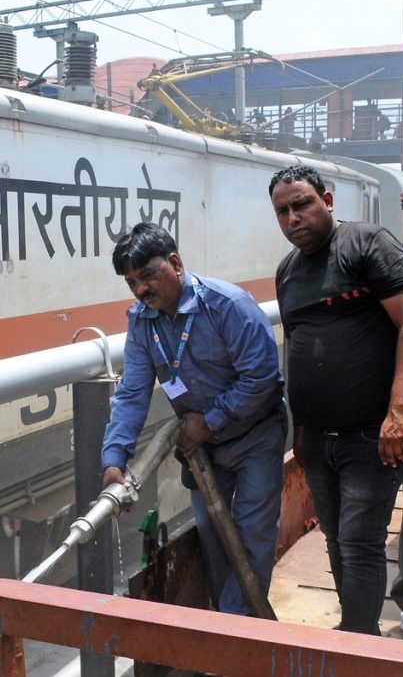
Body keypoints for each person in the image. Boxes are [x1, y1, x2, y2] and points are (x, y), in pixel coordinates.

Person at [270, 164, 403, 635]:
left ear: (328, 200)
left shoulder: (366, 244)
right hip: (318, 438)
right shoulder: (287, 272)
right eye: (282, 211)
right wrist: (300, 432)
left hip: (372, 435)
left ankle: (358, 643)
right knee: (337, 539)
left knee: (360, 540)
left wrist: (398, 414)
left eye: (302, 204)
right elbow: (297, 344)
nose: (293, 217)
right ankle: (358, 633)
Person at [100, 222, 287, 616]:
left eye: (147, 275)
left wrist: (211, 419)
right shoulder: (141, 320)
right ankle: (230, 625)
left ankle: (236, 636)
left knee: (252, 536)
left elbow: (263, 378)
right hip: (203, 448)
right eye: (131, 282)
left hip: (255, 434)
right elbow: (133, 390)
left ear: (175, 262)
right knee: (214, 538)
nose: (140, 289)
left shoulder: (227, 305)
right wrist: (114, 457)